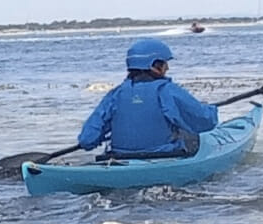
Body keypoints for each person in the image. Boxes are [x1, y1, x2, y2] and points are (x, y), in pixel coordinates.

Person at [77, 38, 220, 158]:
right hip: (165, 156)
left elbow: (87, 140)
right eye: (165, 63)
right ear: (154, 65)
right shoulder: (167, 90)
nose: (167, 68)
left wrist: (101, 137)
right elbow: (206, 122)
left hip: (120, 158)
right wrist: (210, 109)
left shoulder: (115, 94)